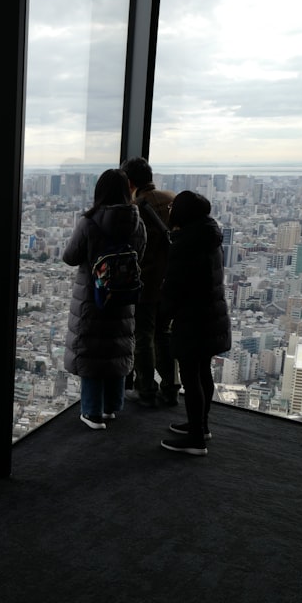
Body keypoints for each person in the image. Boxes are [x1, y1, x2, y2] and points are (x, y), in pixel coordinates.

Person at [63, 169, 147, 429]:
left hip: (93, 296)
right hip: (123, 296)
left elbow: (70, 256)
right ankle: (112, 407)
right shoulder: (138, 222)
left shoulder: (89, 223)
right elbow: (140, 256)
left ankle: (92, 412)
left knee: (92, 351)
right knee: (116, 347)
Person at [159, 191, 231, 456]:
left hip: (193, 319)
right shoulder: (210, 237)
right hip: (211, 315)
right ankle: (201, 425)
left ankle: (196, 439)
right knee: (203, 372)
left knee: (192, 378)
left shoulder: (186, 243)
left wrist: (162, 317)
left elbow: (174, 287)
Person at [121, 156, 179, 408]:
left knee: (143, 336)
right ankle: (171, 387)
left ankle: (145, 388)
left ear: (130, 181)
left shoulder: (134, 208)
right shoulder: (172, 200)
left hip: (146, 281)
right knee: (163, 334)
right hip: (172, 281)